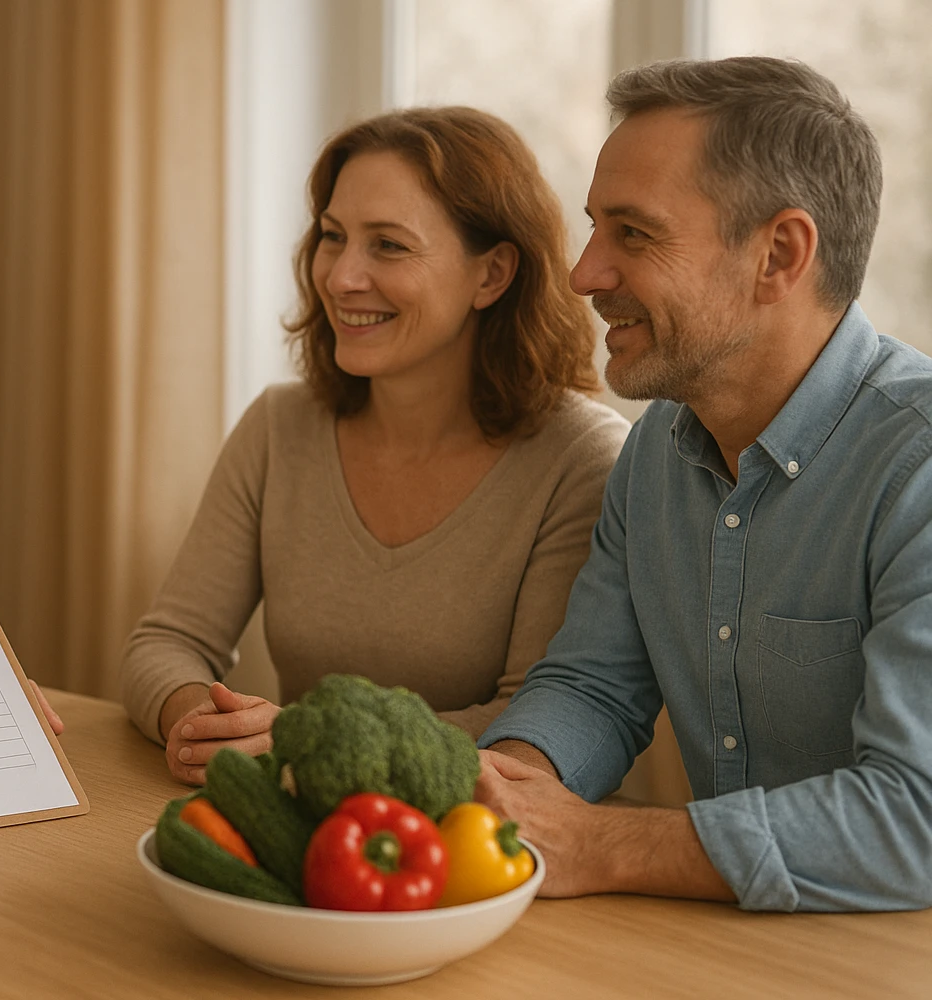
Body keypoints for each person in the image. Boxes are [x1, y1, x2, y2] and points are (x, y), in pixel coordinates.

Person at [474, 56, 932, 913]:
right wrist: (506, 791)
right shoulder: (654, 453)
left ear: (779, 255)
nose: (584, 274)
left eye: (634, 234)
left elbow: (918, 819)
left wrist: (601, 843)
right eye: (594, 229)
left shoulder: (921, 472)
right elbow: (593, 688)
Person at [120, 108, 630, 785]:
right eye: (333, 237)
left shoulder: (582, 459)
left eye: (388, 245)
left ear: (492, 275)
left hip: (484, 852)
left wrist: (307, 742)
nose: (340, 277)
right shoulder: (279, 426)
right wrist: (200, 721)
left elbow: (534, 719)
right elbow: (167, 642)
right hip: (308, 819)